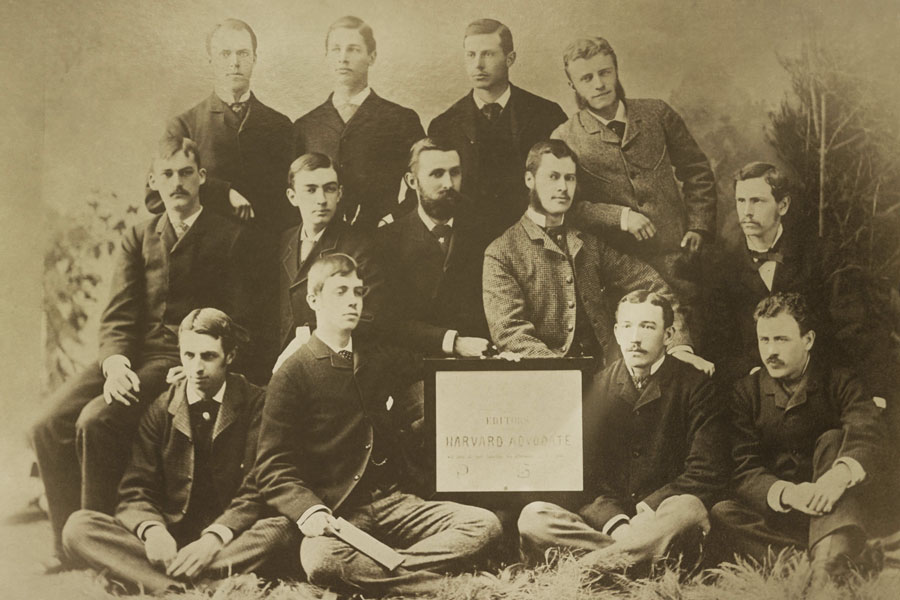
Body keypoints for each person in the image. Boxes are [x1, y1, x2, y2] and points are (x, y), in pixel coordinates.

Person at [31, 135, 259, 570]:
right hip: (131, 355)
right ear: (153, 180)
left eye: (186, 173)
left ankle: (100, 550)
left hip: (178, 360)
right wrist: (115, 364)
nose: (177, 183)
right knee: (47, 423)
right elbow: (118, 314)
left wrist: (196, 361)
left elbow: (244, 324)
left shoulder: (230, 237)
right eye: (166, 174)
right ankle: (66, 547)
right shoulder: (139, 235)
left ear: (202, 177)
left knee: (96, 420)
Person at [255, 254, 502, 596]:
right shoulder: (292, 372)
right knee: (321, 561)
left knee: (484, 525)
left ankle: (386, 570)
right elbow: (272, 466)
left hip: (395, 502)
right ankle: (449, 586)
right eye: (340, 291)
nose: (353, 301)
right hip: (340, 513)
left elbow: (428, 366)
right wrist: (308, 510)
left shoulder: (375, 356)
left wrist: (492, 361)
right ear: (313, 300)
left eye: (358, 292)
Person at [62, 309, 298, 593]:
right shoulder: (162, 408)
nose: (196, 368)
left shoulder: (257, 404)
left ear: (230, 356)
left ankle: (169, 582)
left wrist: (214, 538)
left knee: (282, 528)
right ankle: (199, 585)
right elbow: (136, 489)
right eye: (189, 355)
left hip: (230, 538)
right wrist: (153, 531)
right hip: (173, 540)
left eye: (208, 356)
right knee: (78, 527)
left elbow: (258, 487)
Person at [518, 291, 730, 572]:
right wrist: (617, 524)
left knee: (688, 510)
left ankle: (590, 566)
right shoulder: (596, 386)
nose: (635, 338)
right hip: (610, 524)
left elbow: (706, 472)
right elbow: (586, 477)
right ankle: (640, 561)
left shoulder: (696, 386)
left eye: (647, 327)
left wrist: (648, 511)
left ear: (668, 335)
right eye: (627, 326)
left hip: (661, 517)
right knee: (534, 517)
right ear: (617, 333)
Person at [483, 139, 711, 373]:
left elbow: (651, 283)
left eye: (570, 178)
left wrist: (679, 347)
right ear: (529, 180)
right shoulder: (501, 252)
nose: (563, 187)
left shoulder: (588, 241)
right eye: (553, 177)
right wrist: (562, 373)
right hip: (549, 377)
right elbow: (510, 332)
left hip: (608, 373)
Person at [710, 292, 886, 588]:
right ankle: (818, 565)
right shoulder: (746, 392)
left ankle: (823, 573)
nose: (771, 351)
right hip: (783, 514)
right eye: (764, 340)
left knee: (833, 439)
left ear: (808, 340)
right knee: (722, 513)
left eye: (781, 339)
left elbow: (867, 429)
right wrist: (788, 494)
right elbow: (744, 467)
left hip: (835, 507)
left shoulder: (838, 380)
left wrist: (838, 477)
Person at [552, 36, 717, 332]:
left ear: (616, 71)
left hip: (678, 261)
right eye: (586, 78)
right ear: (572, 85)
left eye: (605, 72)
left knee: (689, 341)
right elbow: (569, 207)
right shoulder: (565, 137)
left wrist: (698, 226)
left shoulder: (657, 114)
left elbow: (697, 171)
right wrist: (620, 217)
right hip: (619, 273)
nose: (599, 84)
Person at [146, 18, 295, 233]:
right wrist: (224, 193)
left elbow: (294, 200)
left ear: (254, 58)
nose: (235, 62)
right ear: (211, 60)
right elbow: (153, 197)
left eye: (243, 53)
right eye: (225, 54)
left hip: (266, 249)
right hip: (206, 249)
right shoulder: (185, 125)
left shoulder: (280, 125)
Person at [429, 18, 567, 239]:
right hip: (468, 241)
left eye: (488, 54)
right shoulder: (444, 125)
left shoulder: (546, 114)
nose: (478, 64)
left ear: (510, 58)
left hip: (537, 237)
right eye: (471, 55)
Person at [293, 16, 425, 229]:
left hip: (383, 237)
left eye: (353, 50)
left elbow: (425, 182)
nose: (343, 58)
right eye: (336, 49)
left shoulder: (401, 119)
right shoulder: (306, 126)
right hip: (324, 239)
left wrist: (394, 219)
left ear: (372, 57)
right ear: (326, 56)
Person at [705, 162, 829, 382]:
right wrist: (752, 377)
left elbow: (845, 327)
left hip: (812, 377)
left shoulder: (817, 255)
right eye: (741, 201)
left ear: (783, 205)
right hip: (749, 381)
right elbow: (717, 342)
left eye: (757, 201)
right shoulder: (722, 264)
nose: (747, 212)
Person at [377, 138, 492, 358]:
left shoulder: (485, 236)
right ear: (412, 181)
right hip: (410, 366)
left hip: (476, 363)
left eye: (455, 173)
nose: (449, 183)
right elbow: (386, 321)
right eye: (437, 174)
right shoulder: (385, 242)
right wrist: (452, 342)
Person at [276, 153, 384, 369]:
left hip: (335, 363)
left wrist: (305, 342)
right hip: (281, 361)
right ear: (292, 196)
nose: (322, 199)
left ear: (339, 193)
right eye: (310, 189)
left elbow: (368, 318)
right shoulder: (284, 241)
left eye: (329, 189)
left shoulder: (360, 247)